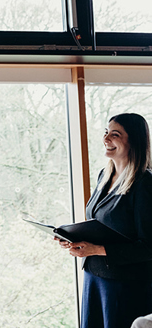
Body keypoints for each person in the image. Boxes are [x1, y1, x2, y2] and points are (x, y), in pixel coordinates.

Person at [57, 113, 152, 328]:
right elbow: (100, 223)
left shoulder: (145, 184)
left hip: (125, 285)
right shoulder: (104, 175)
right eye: (106, 132)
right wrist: (72, 237)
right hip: (95, 278)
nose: (106, 138)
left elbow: (148, 247)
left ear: (135, 140)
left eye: (115, 134)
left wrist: (97, 249)